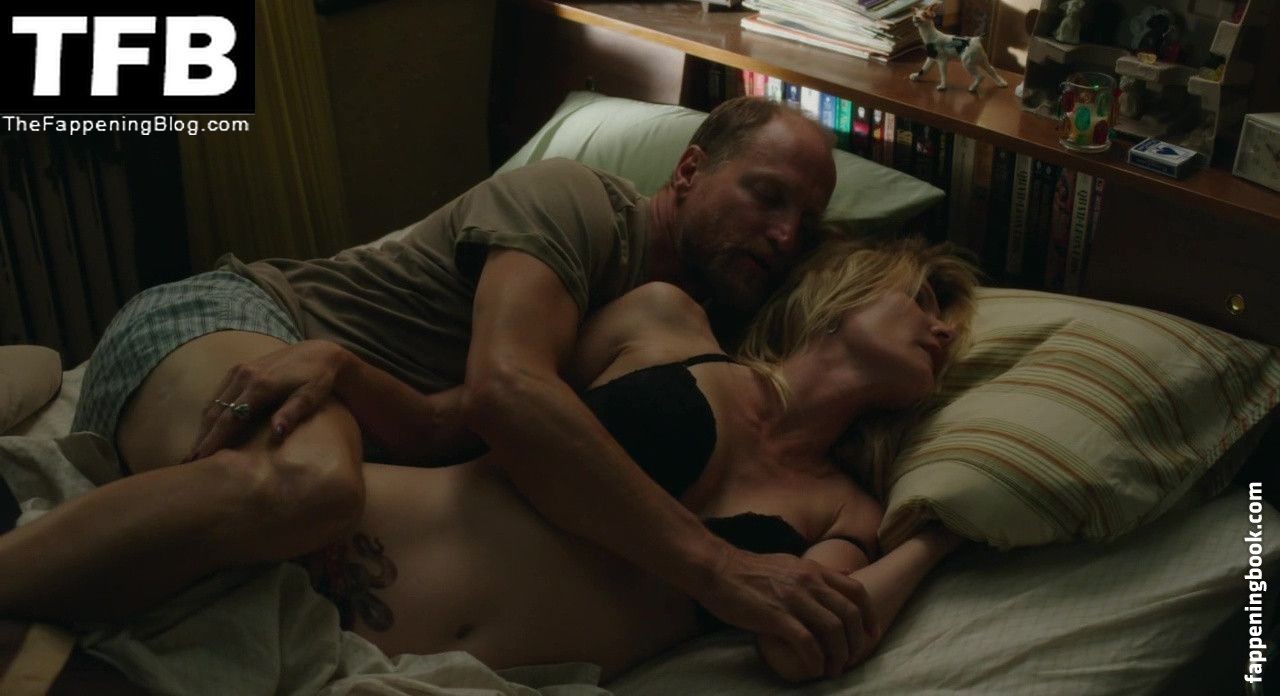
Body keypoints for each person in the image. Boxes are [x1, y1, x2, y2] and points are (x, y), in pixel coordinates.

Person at [2, 95, 875, 677]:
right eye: (766, 197)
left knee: (301, 514)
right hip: (235, 318)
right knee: (309, 485)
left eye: (805, 227)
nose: (783, 235)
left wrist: (350, 372)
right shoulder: (576, 204)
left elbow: (440, 426)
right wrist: (717, 568)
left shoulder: (666, 328)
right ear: (687, 172)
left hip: (342, 400)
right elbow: (505, 394)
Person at [5, 235, 980, 684]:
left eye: (954, 329)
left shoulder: (848, 511)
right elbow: (469, 416)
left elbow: (804, 643)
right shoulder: (664, 324)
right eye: (924, 302)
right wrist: (345, 367)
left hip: (411, 670)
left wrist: (939, 535)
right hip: (306, 550)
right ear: (845, 288)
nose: (941, 332)